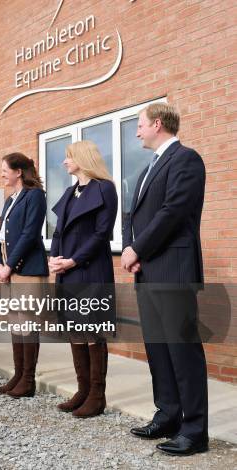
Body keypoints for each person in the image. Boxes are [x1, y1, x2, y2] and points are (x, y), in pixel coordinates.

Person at [122, 103, 208, 456]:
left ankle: (195, 430)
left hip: (173, 270)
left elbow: (173, 211)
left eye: (140, 125)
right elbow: (134, 214)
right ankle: (168, 415)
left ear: (158, 124)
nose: (137, 132)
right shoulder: (146, 169)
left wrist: (136, 249)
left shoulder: (186, 160)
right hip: (148, 271)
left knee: (183, 350)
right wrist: (130, 248)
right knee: (158, 349)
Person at [49, 140, 117, 418]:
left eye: (68, 157)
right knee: (74, 330)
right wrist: (53, 259)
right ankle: (83, 390)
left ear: (82, 158)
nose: (64, 162)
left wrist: (74, 260)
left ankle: (97, 396)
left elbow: (102, 235)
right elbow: (57, 233)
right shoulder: (69, 192)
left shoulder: (105, 189)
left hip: (90, 270)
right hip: (67, 271)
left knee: (92, 332)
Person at [0, 153, 49, 398]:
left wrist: (10, 265)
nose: (2, 173)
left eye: (5, 169)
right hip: (8, 268)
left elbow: (29, 234)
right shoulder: (10, 199)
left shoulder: (35, 195)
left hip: (26, 269)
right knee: (16, 323)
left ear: (18, 172)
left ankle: (28, 380)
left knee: (27, 323)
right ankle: (18, 374)